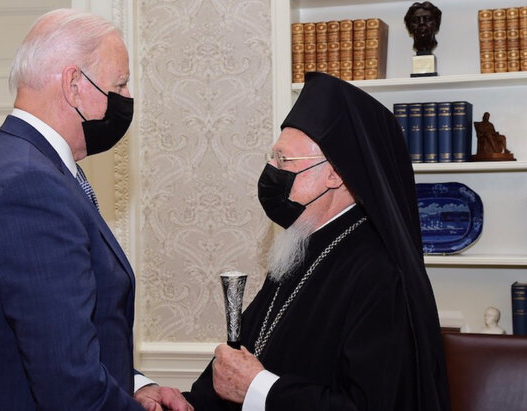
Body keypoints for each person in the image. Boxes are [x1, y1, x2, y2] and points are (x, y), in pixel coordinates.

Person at [0, 9, 191, 411]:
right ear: (75, 84)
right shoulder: (28, 185)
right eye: (121, 84)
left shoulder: (30, 163)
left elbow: (64, 335)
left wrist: (134, 386)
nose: (126, 99)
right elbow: (70, 387)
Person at [184, 72, 450, 410]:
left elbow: (369, 405)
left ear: (335, 173)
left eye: (284, 160)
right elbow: (243, 363)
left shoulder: (380, 273)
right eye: (272, 157)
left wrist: (260, 389)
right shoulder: (297, 248)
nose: (271, 170)